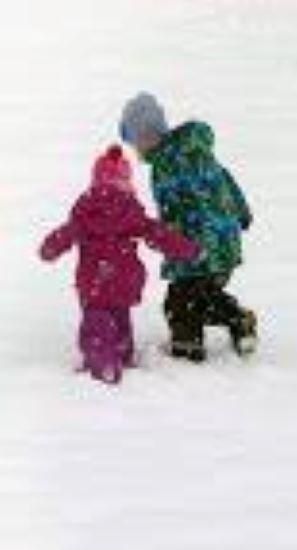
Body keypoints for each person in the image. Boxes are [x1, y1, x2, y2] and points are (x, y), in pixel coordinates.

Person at [39, 145, 199, 384]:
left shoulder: (86, 211)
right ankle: (123, 353)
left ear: (95, 180)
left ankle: (103, 363)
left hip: (94, 281)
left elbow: (65, 235)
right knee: (120, 317)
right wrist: (186, 249)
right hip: (125, 281)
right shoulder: (131, 211)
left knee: (96, 323)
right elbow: (159, 233)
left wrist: (49, 249)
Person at [120, 92, 257, 362]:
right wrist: (241, 212)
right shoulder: (194, 150)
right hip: (222, 241)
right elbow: (224, 179)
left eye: (133, 141)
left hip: (200, 247)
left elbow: (181, 210)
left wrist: (167, 238)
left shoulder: (170, 163)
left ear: (147, 136)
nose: (134, 148)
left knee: (180, 302)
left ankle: (188, 350)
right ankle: (239, 321)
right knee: (201, 297)